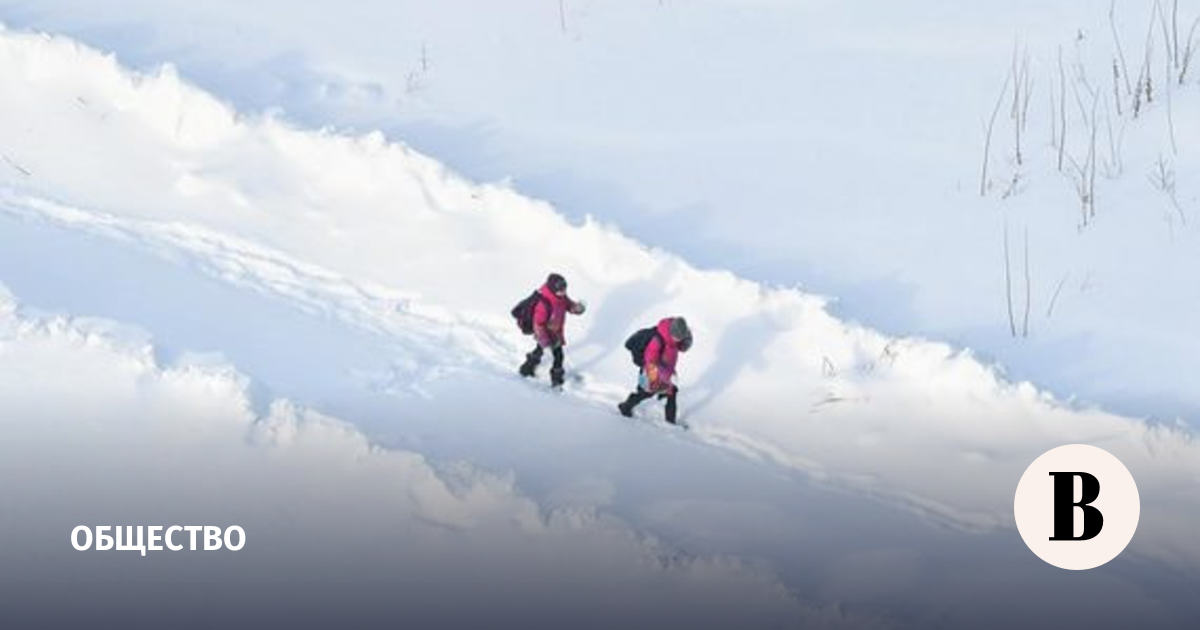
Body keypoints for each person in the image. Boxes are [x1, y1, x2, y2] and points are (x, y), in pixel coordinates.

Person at [618, 316, 692, 424]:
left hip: (664, 373)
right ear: (672, 333)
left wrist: (669, 373)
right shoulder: (657, 341)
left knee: (671, 392)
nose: (679, 340)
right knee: (646, 393)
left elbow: (671, 355)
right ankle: (625, 407)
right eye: (677, 337)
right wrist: (655, 380)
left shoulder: (674, 339)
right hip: (652, 373)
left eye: (680, 338)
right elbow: (651, 361)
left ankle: (670, 422)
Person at [517, 273, 585, 387]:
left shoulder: (561, 297)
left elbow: (568, 304)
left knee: (538, 350)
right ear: (553, 289)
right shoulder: (544, 304)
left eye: (564, 290)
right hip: (547, 334)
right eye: (560, 291)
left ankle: (526, 368)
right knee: (559, 356)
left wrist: (577, 308)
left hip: (555, 331)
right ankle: (557, 380)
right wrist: (546, 342)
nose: (563, 293)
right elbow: (538, 325)